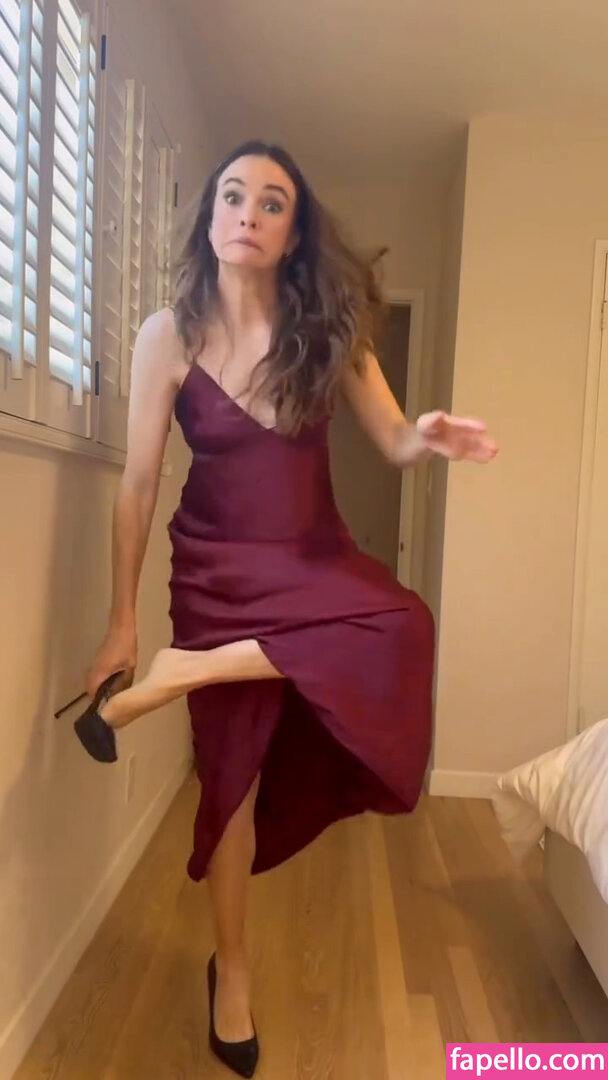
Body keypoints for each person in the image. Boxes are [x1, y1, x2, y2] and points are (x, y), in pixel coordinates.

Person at [77, 141, 498, 1077]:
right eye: (233, 196)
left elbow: (393, 439)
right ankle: (232, 967)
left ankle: (189, 672)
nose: (248, 213)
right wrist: (121, 622)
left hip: (313, 560)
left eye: (272, 203)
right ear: (210, 219)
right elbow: (138, 485)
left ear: (295, 233)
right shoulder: (167, 335)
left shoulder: (329, 331)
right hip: (216, 569)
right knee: (232, 777)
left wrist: (425, 435)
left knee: (403, 627)